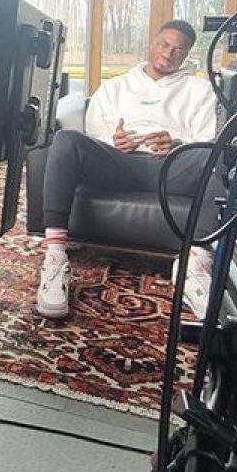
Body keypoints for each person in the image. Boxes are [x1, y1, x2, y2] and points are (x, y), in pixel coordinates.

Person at [35, 19, 218, 320]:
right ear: (152, 43)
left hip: (170, 168)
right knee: (66, 140)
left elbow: (208, 139)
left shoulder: (201, 91)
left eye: (179, 50)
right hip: (119, 163)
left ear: (187, 55)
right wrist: (113, 140)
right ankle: (55, 254)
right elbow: (94, 132)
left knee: (218, 158)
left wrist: (178, 143)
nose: (169, 53)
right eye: (164, 44)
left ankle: (194, 265)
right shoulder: (115, 86)